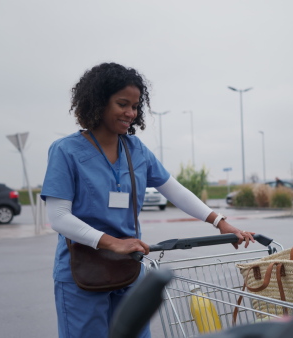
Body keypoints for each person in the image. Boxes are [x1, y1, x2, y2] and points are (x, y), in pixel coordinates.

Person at [41, 62, 255, 338]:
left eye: (135, 106)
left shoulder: (135, 149)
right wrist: (113, 243)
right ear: (98, 102)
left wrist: (220, 222)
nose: (131, 113)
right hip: (81, 274)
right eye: (122, 104)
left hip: (129, 268)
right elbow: (58, 217)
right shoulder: (66, 151)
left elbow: (174, 190)